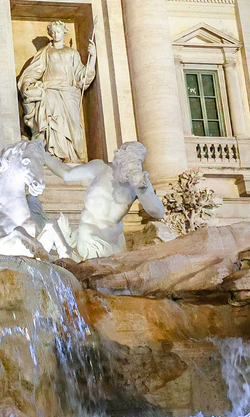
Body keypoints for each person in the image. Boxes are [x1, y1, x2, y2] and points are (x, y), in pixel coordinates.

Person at [43, 142, 165, 259]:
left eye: (138, 162)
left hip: (116, 244)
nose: (135, 167)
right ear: (119, 159)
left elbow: (158, 212)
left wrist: (142, 190)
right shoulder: (100, 168)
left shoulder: (138, 184)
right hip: (88, 237)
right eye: (132, 161)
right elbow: (67, 174)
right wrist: (43, 155)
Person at [18, 20, 96, 163]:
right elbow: (35, 71)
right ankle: (54, 154)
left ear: (64, 33)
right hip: (51, 91)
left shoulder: (72, 53)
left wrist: (93, 57)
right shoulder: (45, 52)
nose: (55, 34)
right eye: (52, 32)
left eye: (58, 31)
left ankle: (72, 155)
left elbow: (82, 77)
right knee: (53, 122)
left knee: (72, 124)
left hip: (69, 92)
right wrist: (27, 84)